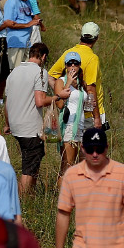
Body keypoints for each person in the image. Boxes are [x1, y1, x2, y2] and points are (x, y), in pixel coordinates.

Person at [48, 22, 105, 130]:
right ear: (96, 38)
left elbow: (50, 77)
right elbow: (91, 89)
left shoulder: (68, 53)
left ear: (81, 36)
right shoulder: (92, 58)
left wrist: (64, 96)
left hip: (70, 113)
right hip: (88, 115)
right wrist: (97, 117)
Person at [54, 52, 87, 183]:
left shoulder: (81, 83)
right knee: (68, 165)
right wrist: (68, 83)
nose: (73, 66)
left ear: (79, 65)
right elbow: (60, 104)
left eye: (76, 63)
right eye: (69, 63)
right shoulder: (60, 81)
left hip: (81, 126)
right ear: (65, 66)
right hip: (68, 126)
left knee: (80, 165)